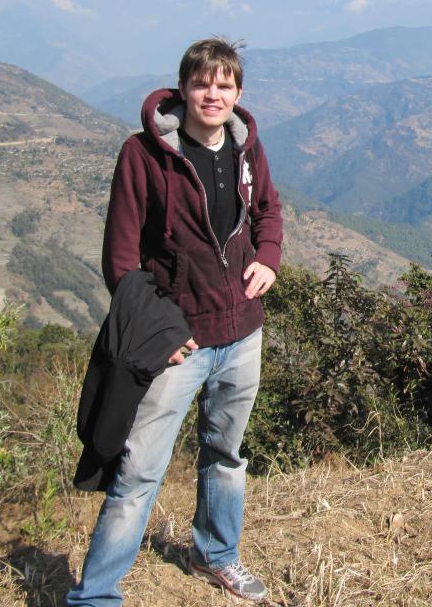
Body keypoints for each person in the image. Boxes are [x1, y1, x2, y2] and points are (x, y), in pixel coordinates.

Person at [67, 38, 283, 606]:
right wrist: (165, 331)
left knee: (226, 455)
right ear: (182, 89)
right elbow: (121, 260)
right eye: (202, 84)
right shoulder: (143, 155)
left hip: (243, 333)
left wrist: (269, 256)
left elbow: (268, 211)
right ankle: (95, 595)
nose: (213, 94)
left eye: (225, 85)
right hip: (178, 346)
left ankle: (215, 555)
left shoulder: (245, 147)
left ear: (238, 93)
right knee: (138, 472)